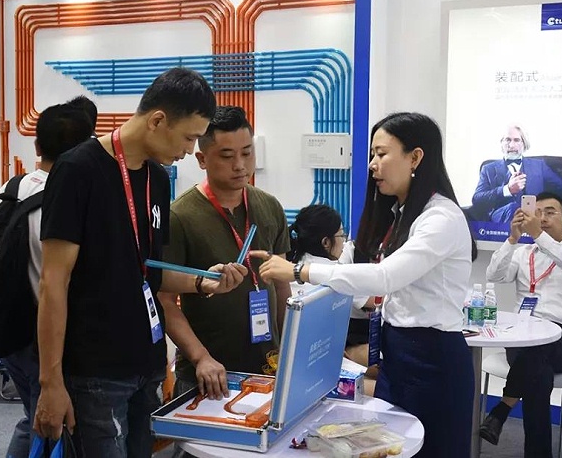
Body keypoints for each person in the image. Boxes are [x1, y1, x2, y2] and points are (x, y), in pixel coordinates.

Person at [33, 68, 247, 458]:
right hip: (96, 370)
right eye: (189, 138)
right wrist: (50, 382)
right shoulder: (78, 170)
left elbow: (149, 271)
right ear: (157, 120)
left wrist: (203, 282)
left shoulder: (157, 179)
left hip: (146, 363)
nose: (189, 150)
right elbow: (53, 283)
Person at [252, 112, 477, 458]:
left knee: (433, 449)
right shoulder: (402, 215)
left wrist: (299, 271)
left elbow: (386, 276)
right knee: (393, 447)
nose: (372, 165)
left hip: (433, 360)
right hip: (398, 352)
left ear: (415, 157)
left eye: (382, 154)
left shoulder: (440, 217)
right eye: (372, 154)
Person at [0, 103, 93, 458]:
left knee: (34, 416)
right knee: (50, 420)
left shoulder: (16, 185)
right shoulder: (78, 198)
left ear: (37, 146)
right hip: (49, 335)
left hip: (7, 324)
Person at [158, 106, 291, 401]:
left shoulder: (269, 206)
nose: (240, 165)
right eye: (227, 156)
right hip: (208, 375)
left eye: (247, 153)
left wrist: (289, 348)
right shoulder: (179, 216)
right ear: (202, 159)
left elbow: (282, 286)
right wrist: (200, 357)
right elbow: (164, 300)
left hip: (267, 368)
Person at [479, 191, 562, 457]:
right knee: (538, 373)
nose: (542, 218)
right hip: (524, 337)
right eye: (537, 212)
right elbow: (494, 275)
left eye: (550, 212)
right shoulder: (523, 253)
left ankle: (502, 409)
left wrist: (539, 237)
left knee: (539, 351)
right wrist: (512, 239)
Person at [287, 204, 377, 368]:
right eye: (342, 235)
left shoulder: (293, 264)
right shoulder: (335, 274)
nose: (344, 241)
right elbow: (375, 300)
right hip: (325, 350)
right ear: (326, 242)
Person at [472, 124, 562, 227]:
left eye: (516, 140)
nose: (511, 145)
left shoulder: (539, 166)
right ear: (501, 143)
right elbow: (477, 199)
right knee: (514, 208)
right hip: (501, 221)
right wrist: (507, 189)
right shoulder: (489, 169)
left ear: (524, 144)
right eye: (507, 140)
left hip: (536, 219)